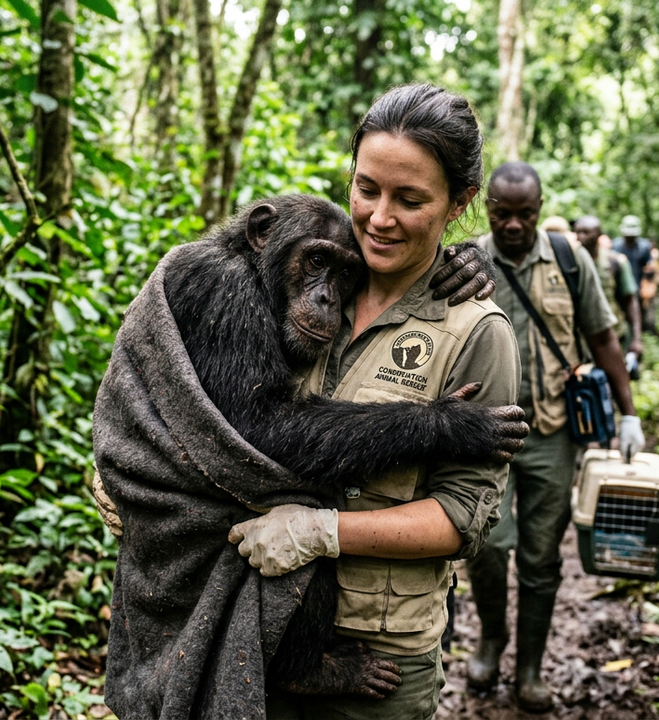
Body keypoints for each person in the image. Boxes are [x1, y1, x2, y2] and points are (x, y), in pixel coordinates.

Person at [228, 83, 523, 720]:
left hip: (378, 651)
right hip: (246, 627)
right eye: (366, 189)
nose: (380, 218)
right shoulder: (312, 271)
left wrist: (322, 532)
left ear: (459, 203)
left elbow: (463, 517)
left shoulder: (477, 330)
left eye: (410, 199)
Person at [464, 162, 645, 712]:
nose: (514, 224)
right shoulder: (466, 261)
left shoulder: (571, 259)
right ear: (486, 207)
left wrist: (628, 413)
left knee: (542, 555)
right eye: (502, 213)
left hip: (552, 433)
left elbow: (603, 336)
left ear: (539, 210)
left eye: (525, 214)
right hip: (484, 433)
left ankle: (530, 667)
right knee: (487, 545)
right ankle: (491, 640)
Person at [575, 215, 643, 363]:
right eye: (578, 232)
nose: (580, 237)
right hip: (579, 341)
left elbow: (630, 300)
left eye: (586, 232)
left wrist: (637, 339)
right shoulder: (569, 264)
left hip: (613, 335)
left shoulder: (615, 262)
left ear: (598, 234)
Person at [613, 216, 658, 335]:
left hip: (637, 286)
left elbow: (649, 266)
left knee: (637, 315)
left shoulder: (644, 246)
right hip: (619, 288)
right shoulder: (616, 246)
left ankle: (637, 337)